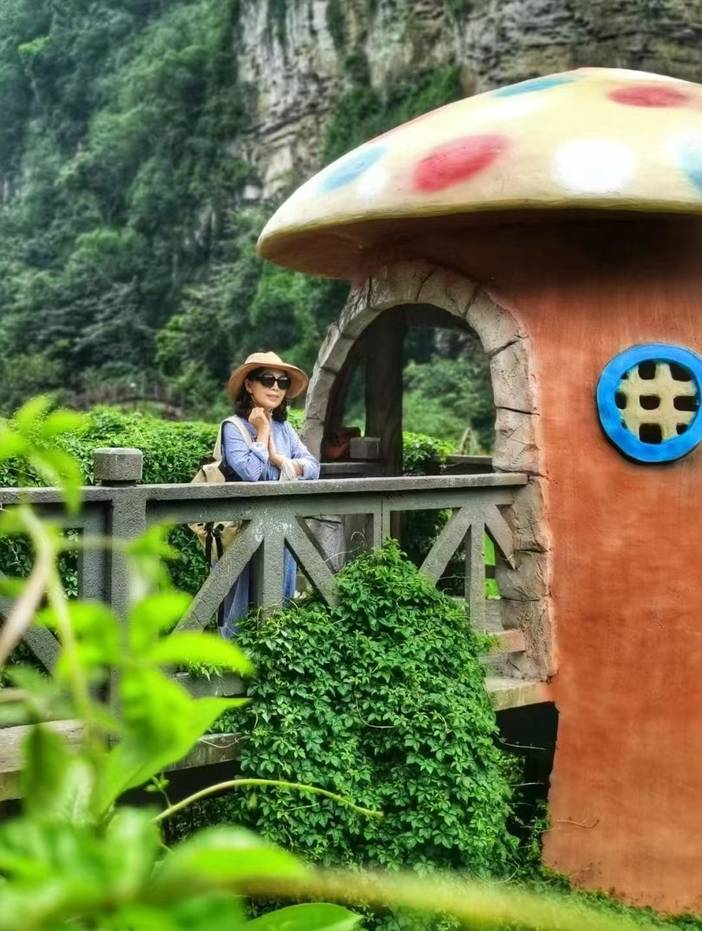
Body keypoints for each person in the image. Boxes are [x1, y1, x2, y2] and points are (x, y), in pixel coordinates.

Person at [219, 351, 320, 637]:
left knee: (279, 607)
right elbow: (250, 472)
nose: (275, 387)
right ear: (249, 385)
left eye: (282, 382)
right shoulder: (233, 427)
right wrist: (262, 433)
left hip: (281, 531)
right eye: (267, 379)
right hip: (243, 532)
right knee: (240, 612)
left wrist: (279, 460)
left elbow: (314, 467)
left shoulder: (284, 428)